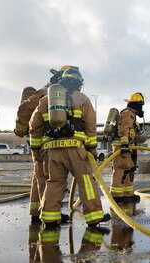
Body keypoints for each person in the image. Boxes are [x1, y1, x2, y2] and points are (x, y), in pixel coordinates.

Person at [29, 68, 110, 229]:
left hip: (51, 150)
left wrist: (36, 150)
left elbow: (34, 126)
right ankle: (94, 217)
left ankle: (50, 218)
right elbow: (90, 125)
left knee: (54, 182)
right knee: (86, 180)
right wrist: (92, 148)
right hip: (75, 148)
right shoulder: (82, 99)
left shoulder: (45, 101)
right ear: (79, 83)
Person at [15, 65, 76, 223]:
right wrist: (22, 129)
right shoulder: (47, 92)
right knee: (45, 177)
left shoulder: (58, 94)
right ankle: (47, 214)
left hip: (42, 141)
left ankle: (37, 211)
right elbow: (25, 109)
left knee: (38, 177)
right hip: (42, 142)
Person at [110, 93, 145, 204]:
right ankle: (116, 195)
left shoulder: (132, 115)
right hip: (122, 146)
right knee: (120, 168)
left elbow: (130, 132)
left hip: (127, 146)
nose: (141, 108)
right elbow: (124, 129)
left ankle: (127, 193)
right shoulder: (128, 113)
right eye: (141, 106)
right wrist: (125, 144)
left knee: (128, 169)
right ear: (137, 105)